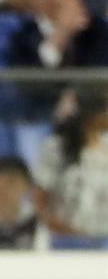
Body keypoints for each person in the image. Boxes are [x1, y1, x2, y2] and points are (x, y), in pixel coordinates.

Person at [33, 92, 108, 238]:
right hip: (63, 238)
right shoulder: (55, 148)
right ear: (92, 114)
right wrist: (61, 230)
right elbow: (38, 201)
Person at [7, 0, 108, 69]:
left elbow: (98, 75)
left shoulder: (98, 30)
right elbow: (27, 81)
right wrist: (61, 34)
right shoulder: (22, 36)